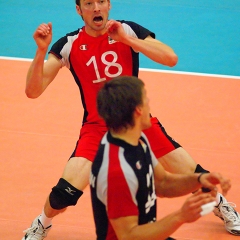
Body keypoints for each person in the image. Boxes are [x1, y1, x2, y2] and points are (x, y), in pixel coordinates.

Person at [22, 0, 240, 239]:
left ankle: (222, 205)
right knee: (64, 193)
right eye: (89, 3)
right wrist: (41, 51)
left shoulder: (128, 30)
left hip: (138, 123)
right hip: (97, 128)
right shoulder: (69, 44)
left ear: (109, 5)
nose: (96, 8)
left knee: (194, 174)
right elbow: (33, 91)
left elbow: (170, 58)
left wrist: (128, 41)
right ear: (78, 10)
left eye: (101, 2)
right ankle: (42, 223)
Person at [91, 75, 231, 240]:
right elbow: (128, 236)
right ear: (138, 110)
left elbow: (162, 183)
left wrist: (200, 179)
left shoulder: (137, 139)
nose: (149, 102)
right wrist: (180, 216)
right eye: (146, 99)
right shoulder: (117, 171)